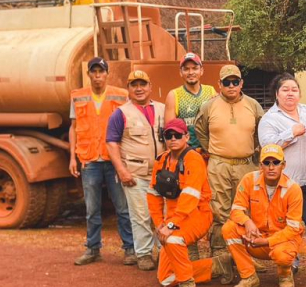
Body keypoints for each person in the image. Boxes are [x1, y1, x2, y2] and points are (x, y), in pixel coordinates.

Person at [147, 119, 232, 287]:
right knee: (166, 278)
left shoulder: (194, 159)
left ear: (186, 136)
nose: (172, 139)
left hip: (198, 214)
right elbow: (153, 195)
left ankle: (187, 282)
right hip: (173, 218)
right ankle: (218, 265)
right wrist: (159, 224)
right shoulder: (160, 160)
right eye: (168, 135)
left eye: (177, 135)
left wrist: (170, 226)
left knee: (174, 239)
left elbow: (190, 197)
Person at [257, 74, 306, 273]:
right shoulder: (269, 119)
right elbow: (268, 146)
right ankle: (292, 260)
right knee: (289, 224)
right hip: (286, 184)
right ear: (276, 94)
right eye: (285, 90)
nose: (290, 93)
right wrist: (291, 133)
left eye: (294, 90)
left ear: (300, 93)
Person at [194, 65, 264, 265]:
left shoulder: (253, 105)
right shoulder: (209, 106)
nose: (231, 86)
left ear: (241, 83)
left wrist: (253, 150)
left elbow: (262, 131)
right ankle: (219, 255)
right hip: (219, 165)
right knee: (219, 211)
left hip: (246, 165)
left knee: (246, 210)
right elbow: (200, 130)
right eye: (227, 82)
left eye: (235, 81)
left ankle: (246, 256)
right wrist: (214, 151)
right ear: (219, 85)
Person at [69, 57, 136, 266]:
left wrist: (125, 159)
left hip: (113, 159)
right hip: (90, 160)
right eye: (94, 72)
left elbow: (128, 126)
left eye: (101, 71)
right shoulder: (78, 97)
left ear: (107, 73)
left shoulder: (121, 96)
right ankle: (93, 249)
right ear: (89, 74)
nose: (97, 76)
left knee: (122, 207)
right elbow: (73, 127)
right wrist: (72, 157)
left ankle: (130, 248)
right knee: (91, 208)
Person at [221, 144, 304, 287]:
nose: (271, 167)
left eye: (275, 162)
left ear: (283, 165)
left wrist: (266, 242)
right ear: (261, 165)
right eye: (266, 163)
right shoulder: (249, 180)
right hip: (256, 237)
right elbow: (236, 210)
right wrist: (247, 222)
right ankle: (249, 276)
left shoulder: (293, 189)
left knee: (283, 256)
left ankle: (285, 274)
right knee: (229, 228)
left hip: (280, 241)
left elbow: (293, 229)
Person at [106, 70, 166, 271]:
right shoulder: (120, 113)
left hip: (161, 175)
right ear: (129, 89)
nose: (139, 89)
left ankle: (165, 253)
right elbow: (111, 143)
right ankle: (144, 254)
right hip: (135, 174)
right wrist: (122, 170)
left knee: (163, 216)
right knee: (140, 216)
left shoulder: (163, 109)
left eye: (143, 84)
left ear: (150, 86)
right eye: (134, 85)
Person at [164, 52, 216, 262]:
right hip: (186, 158)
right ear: (181, 72)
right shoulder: (174, 95)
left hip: (208, 156)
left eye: (194, 67)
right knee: (186, 202)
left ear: (201, 70)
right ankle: (191, 250)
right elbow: (170, 130)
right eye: (186, 68)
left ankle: (216, 251)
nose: (191, 71)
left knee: (209, 202)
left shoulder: (211, 91)